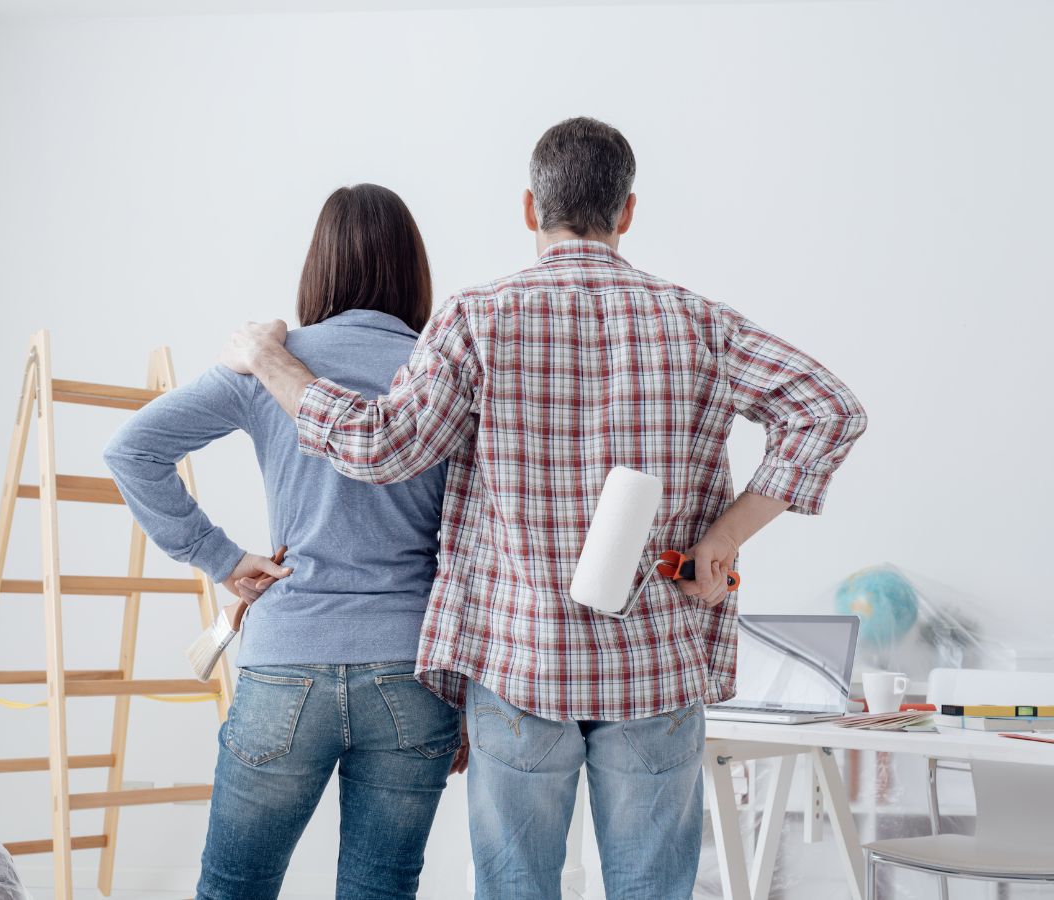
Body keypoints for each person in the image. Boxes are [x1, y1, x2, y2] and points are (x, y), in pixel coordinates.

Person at [220, 117, 869, 899]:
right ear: (627, 212)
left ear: (530, 208)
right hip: (654, 669)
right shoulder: (701, 322)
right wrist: (724, 538)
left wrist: (269, 360)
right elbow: (829, 410)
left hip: (522, 668)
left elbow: (381, 447)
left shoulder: (477, 319)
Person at [104, 184, 463, 900]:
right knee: (382, 888)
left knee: (235, 888)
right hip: (412, 666)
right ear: (413, 269)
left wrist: (221, 559)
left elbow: (131, 449)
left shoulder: (270, 361)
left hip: (286, 663)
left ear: (318, 268)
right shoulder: (441, 369)